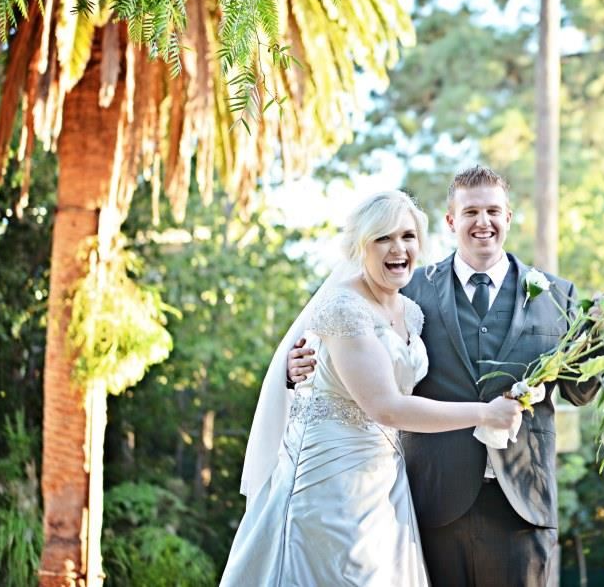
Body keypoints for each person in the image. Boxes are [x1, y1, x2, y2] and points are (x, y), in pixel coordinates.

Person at [288, 167, 600, 586]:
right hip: (429, 502)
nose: (483, 222)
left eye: (493, 211)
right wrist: (299, 368)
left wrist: (601, 339)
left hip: (523, 505)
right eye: (471, 211)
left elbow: (580, 392)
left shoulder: (557, 296)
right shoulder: (405, 290)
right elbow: (351, 349)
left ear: (509, 217)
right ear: (452, 221)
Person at [221, 190, 523, 586]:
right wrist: (484, 413)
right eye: (382, 238)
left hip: (385, 482)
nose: (397, 248)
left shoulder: (411, 310)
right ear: (359, 247)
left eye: (407, 236)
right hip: (330, 481)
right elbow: (387, 406)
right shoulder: (344, 307)